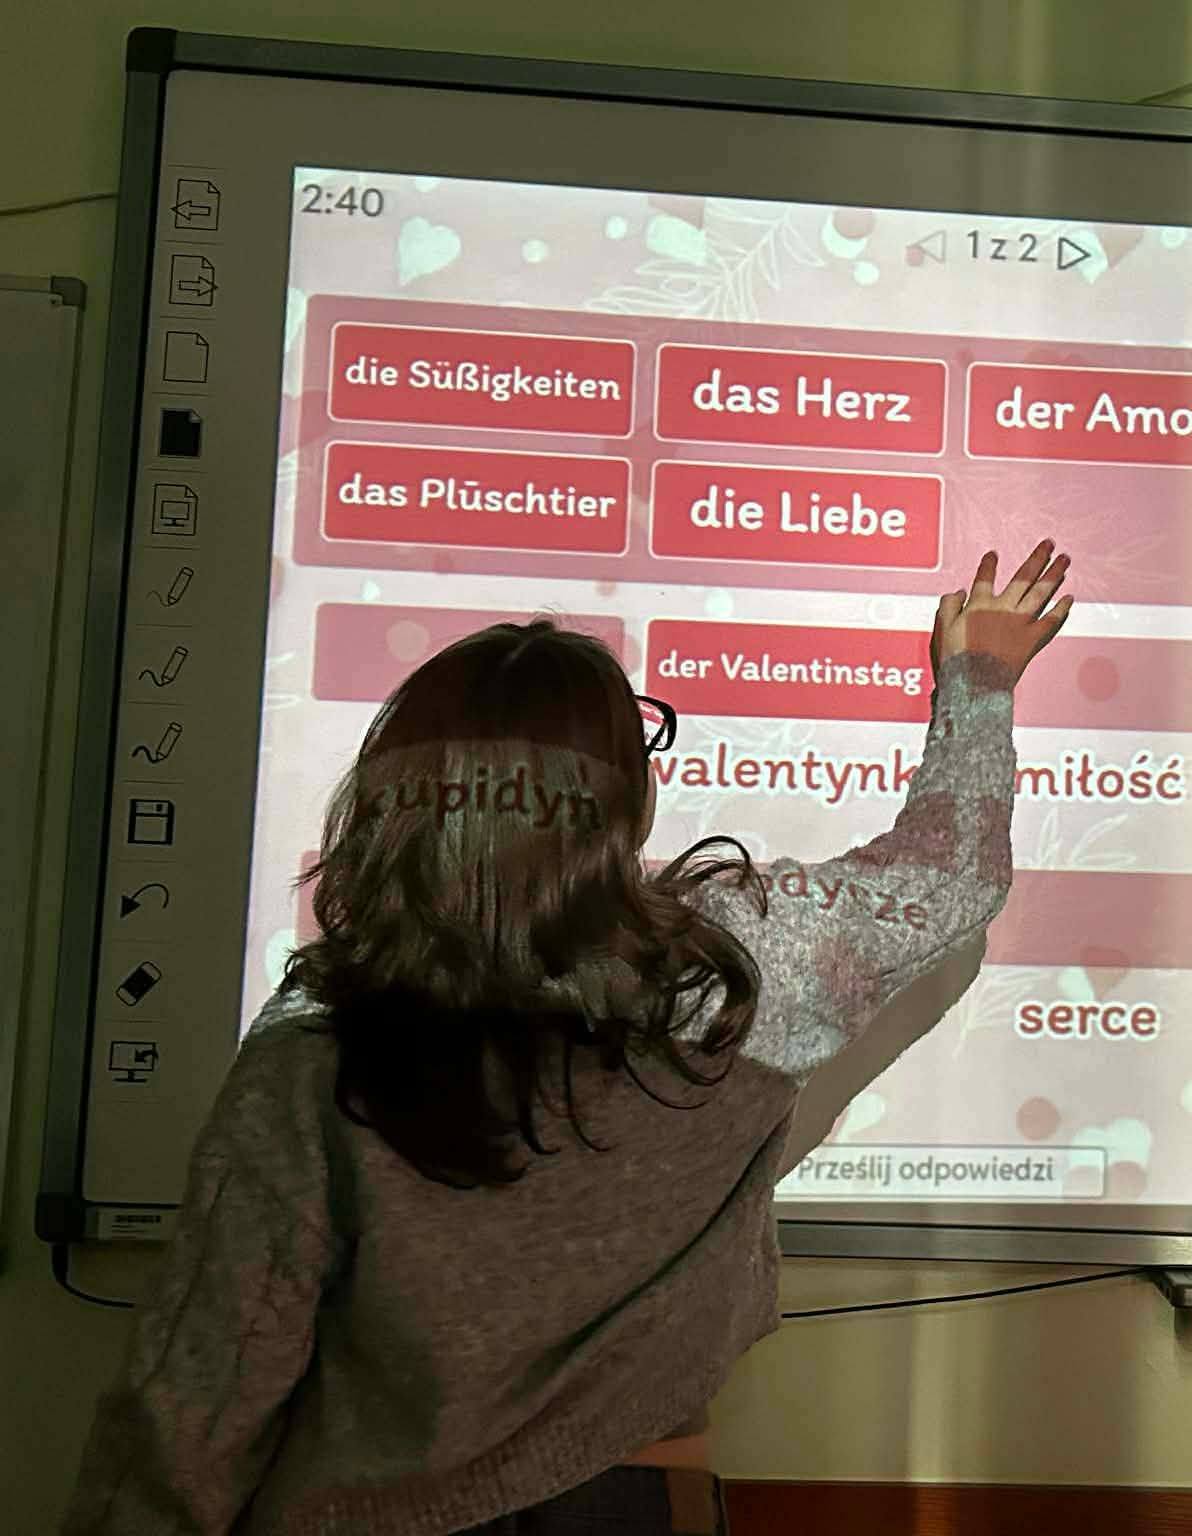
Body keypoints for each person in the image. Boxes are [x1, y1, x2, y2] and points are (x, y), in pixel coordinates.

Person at [61, 542, 1074, 1535]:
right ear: (623, 800)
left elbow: (207, 1379)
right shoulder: (735, 974)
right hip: (634, 1503)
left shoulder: (314, 1039)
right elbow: (945, 878)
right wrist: (977, 680)